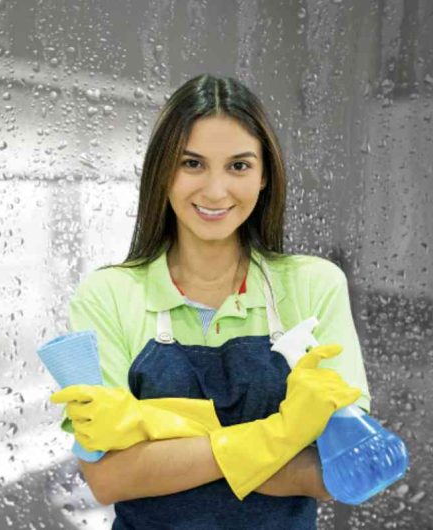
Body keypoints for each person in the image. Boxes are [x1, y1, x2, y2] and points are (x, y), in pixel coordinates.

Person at [49, 74, 371, 529]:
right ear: (163, 172)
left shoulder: (313, 285)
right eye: (192, 163)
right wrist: (282, 433)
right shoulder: (109, 296)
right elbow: (110, 477)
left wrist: (164, 444)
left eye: (238, 166)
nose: (216, 191)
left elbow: (342, 470)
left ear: (264, 177)